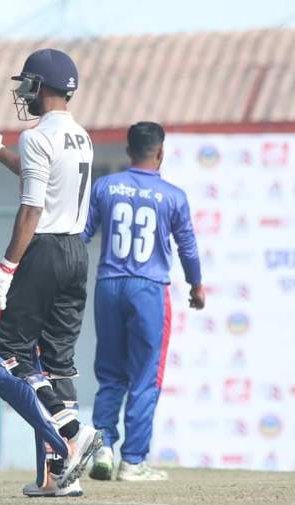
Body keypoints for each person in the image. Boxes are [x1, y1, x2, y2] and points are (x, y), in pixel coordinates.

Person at [0, 48, 101, 497]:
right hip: (76, 252)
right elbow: (37, 177)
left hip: (43, 251)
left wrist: (5, 268)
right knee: (58, 362)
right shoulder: (81, 136)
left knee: (10, 351)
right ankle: (60, 476)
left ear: (43, 87)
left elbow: (32, 207)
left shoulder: (37, 136)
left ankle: (72, 432)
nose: (24, 94)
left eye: (28, 85)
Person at [82, 122, 205, 482]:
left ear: (128, 150)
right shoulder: (173, 196)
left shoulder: (105, 186)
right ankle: (133, 461)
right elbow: (188, 247)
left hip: (108, 285)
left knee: (109, 374)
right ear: (161, 152)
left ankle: (102, 447)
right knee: (145, 376)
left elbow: (82, 234)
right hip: (148, 289)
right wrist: (196, 285)